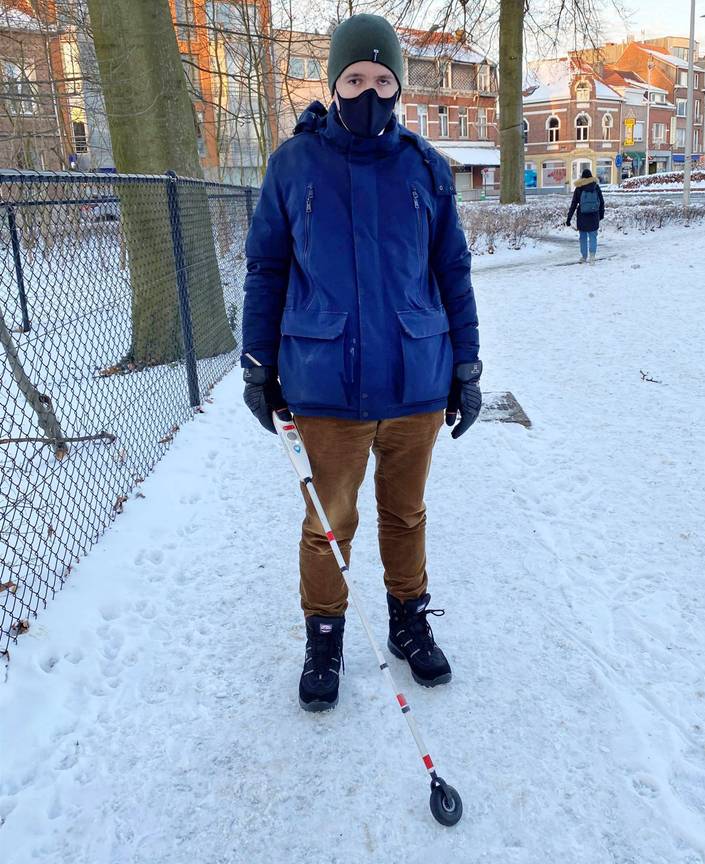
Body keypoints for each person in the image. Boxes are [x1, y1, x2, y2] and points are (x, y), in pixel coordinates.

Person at [239, 14, 481, 711]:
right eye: (355, 79)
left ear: (397, 85)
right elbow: (267, 270)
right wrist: (259, 364)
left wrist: (466, 365)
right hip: (326, 388)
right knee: (328, 522)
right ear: (334, 83)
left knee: (405, 515)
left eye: (382, 80)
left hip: (416, 380)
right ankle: (325, 633)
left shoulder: (425, 168)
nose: (368, 91)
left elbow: (453, 273)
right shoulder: (294, 166)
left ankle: (408, 621)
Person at [566, 168, 605, 263]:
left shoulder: (579, 188)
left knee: (583, 237)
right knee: (593, 236)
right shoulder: (596, 187)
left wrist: (569, 218)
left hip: (582, 216)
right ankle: (592, 256)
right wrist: (601, 215)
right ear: (591, 176)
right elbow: (601, 202)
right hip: (594, 215)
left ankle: (584, 257)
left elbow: (574, 204)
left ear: (582, 177)